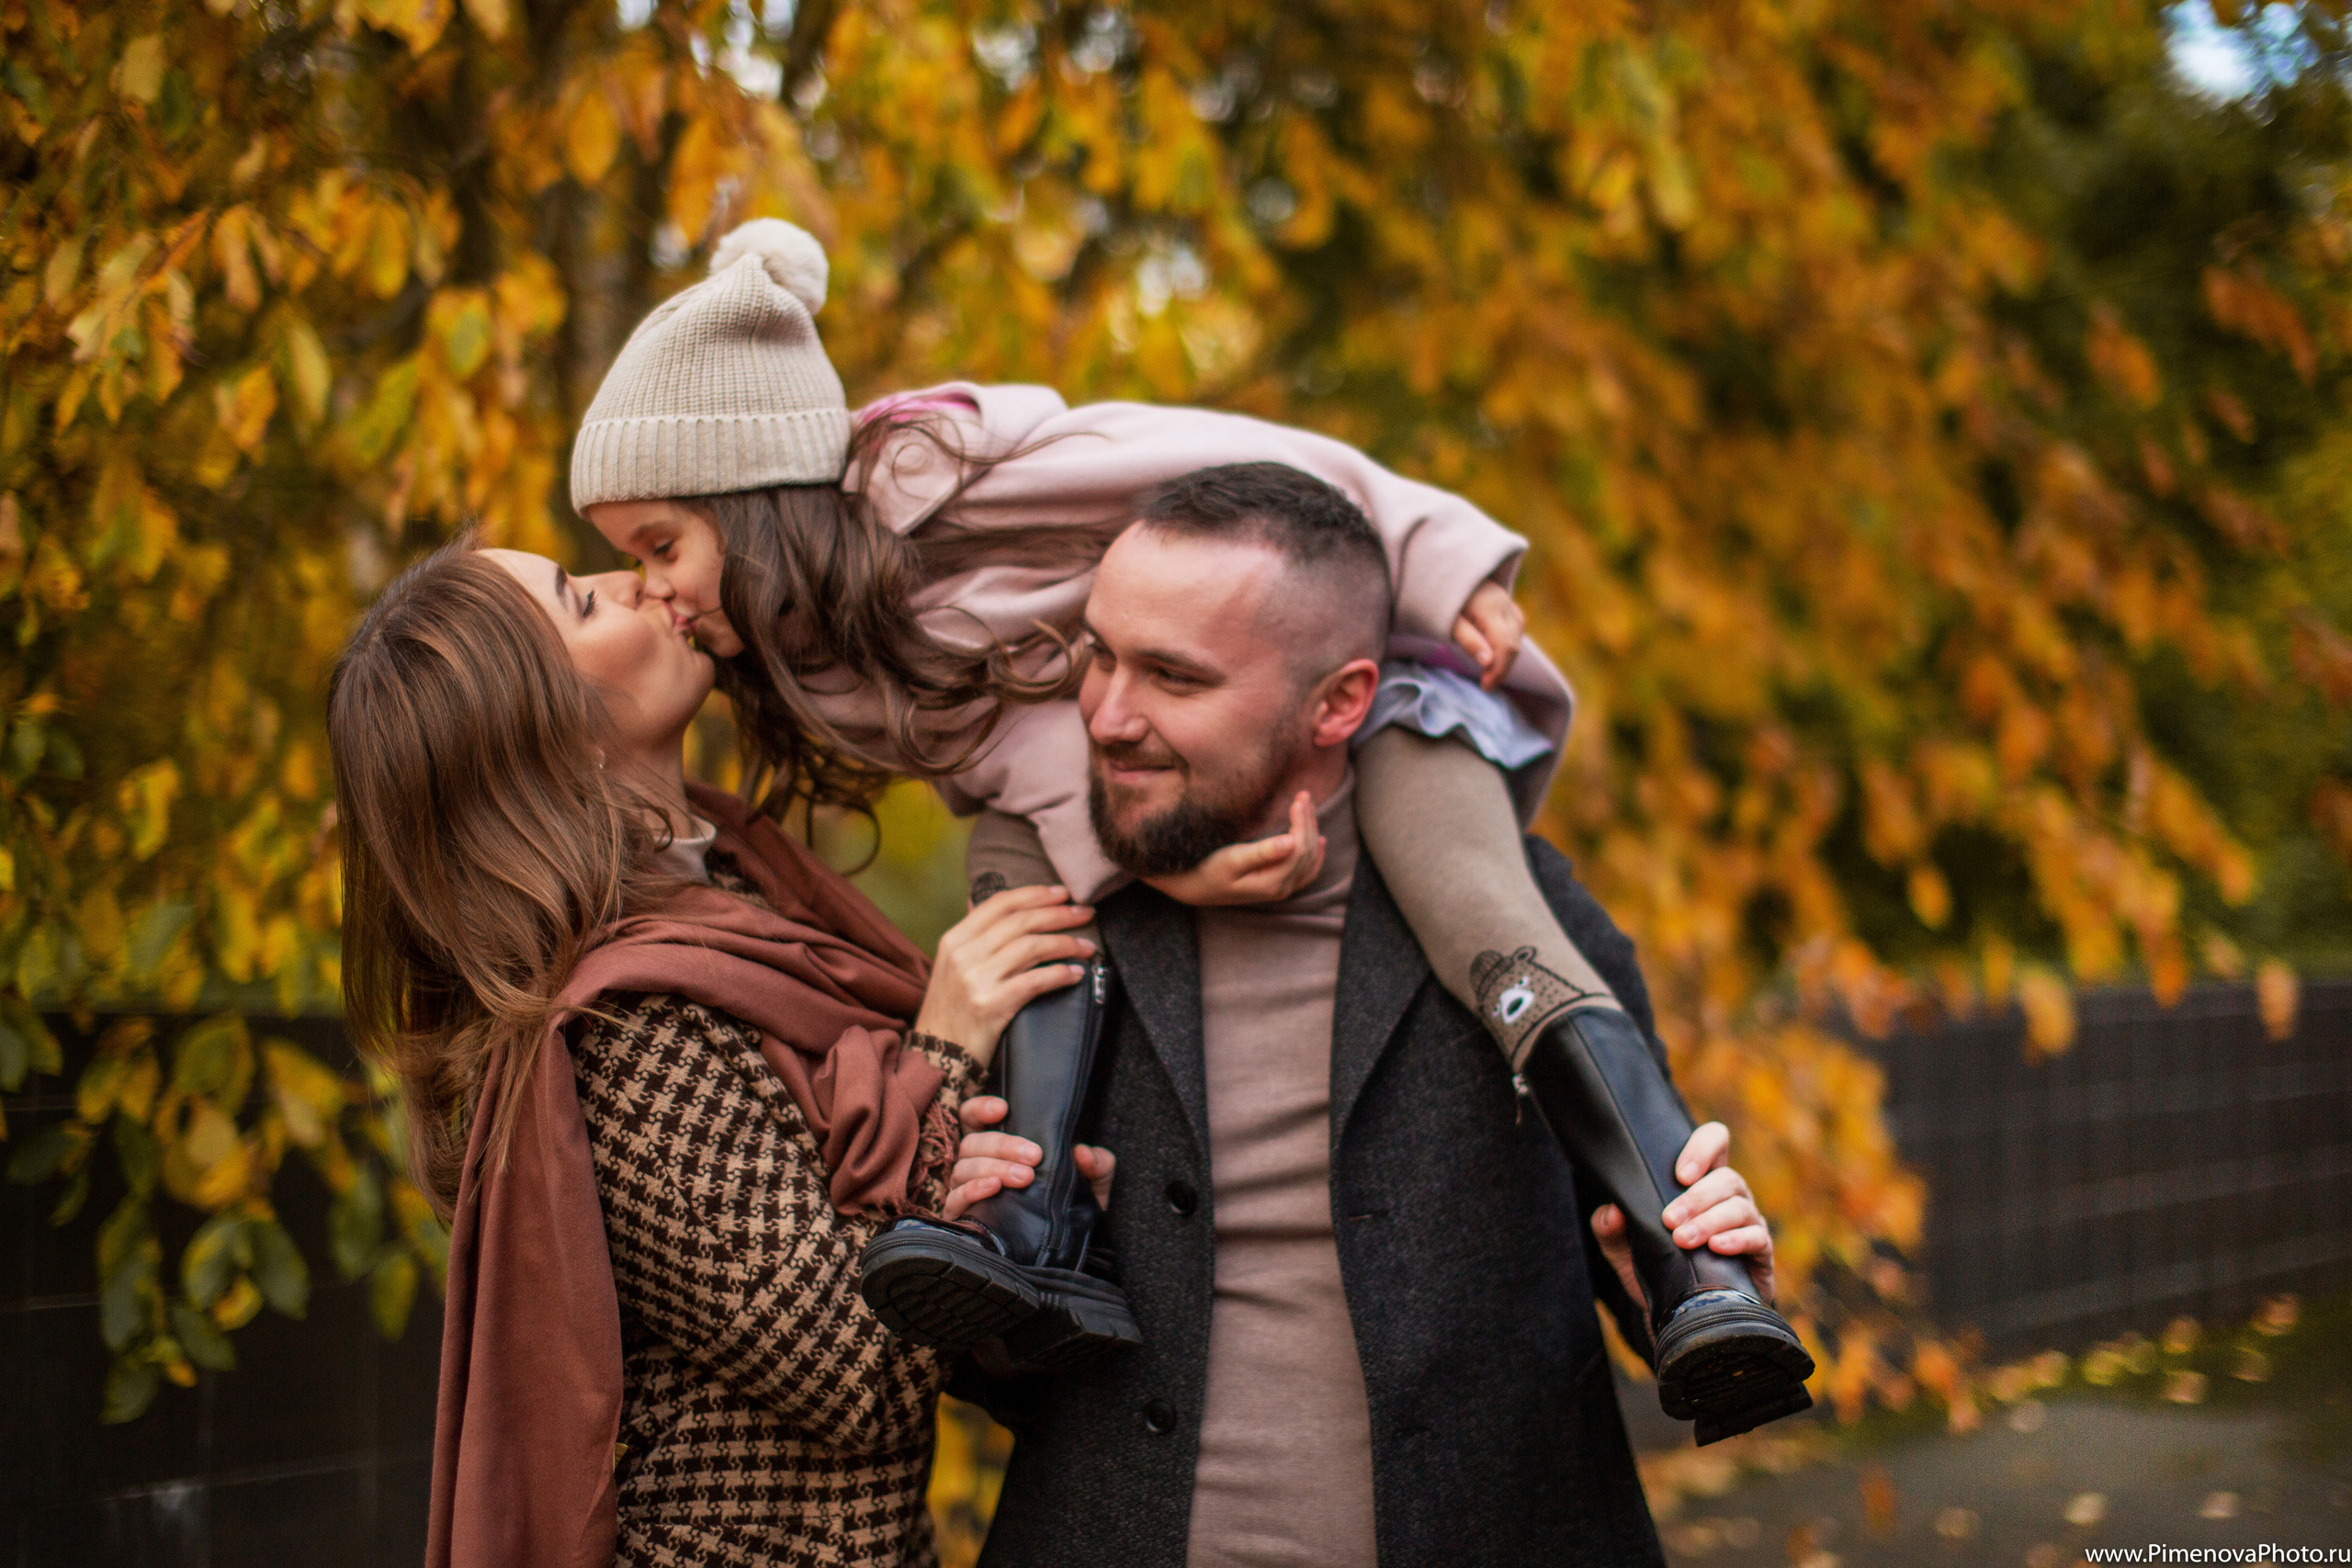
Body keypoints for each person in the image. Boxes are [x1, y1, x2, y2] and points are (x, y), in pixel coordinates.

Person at [566, 216, 1809, 1435]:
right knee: (1022, 913)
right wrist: (1157, 867)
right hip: (1120, 811)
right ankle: (1034, 1216)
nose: (657, 587)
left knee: (1479, 902)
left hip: (1383, 658)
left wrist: (1448, 559)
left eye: (663, 544)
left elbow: (1271, 466)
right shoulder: (823, 657)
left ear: (755, 491)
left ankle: (1685, 1243)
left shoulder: (943, 475)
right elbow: (1036, 751)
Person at [938, 468, 1785, 1565]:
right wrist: (981, 1252)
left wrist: (1671, 1282)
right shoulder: (1045, 929)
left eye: (1174, 678)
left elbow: (1654, 1306)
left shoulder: (1518, 920)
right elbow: (988, 1369)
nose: (1104, 715)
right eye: (1099, 653)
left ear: (1340, 701)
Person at [327, 538, 1106, 1567]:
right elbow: (862, 1376)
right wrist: (949, 1052)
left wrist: (1018, 1192)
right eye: (583, 600)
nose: (633, 581)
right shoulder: (616, 1038)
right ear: (536, 733)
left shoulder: (744, 883)